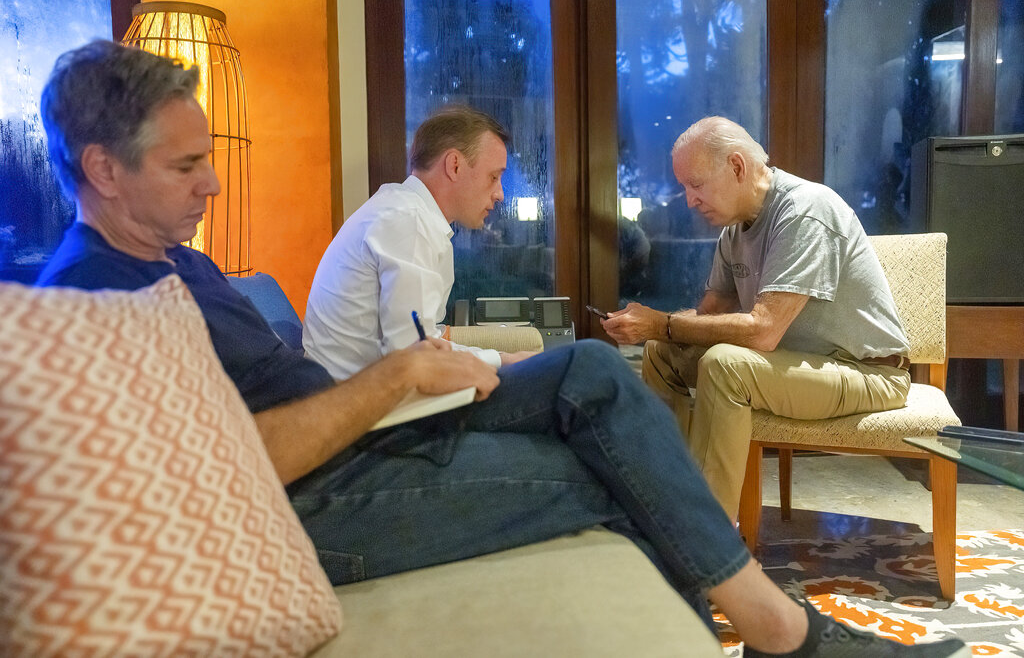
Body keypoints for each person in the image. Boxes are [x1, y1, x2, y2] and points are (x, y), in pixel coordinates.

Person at [35, 41, 967, 658]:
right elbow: (230, 464)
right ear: (103, 169)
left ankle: (760, 617)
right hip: (316, 504)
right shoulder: (94, 300)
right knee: (615, 467)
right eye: (186, 165)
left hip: (354, 445)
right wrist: (403, 374)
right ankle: (781, 629)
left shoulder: (173, 263)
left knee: (596, 373)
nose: (212, 181)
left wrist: (422, 376)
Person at [602, 116, 913, 522]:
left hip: (867, 373)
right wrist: (653, 326)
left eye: (695, 184)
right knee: (663, 353)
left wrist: (662, 321)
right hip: (793, 365)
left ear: (736, 166)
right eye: (684, 187)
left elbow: (764, 331)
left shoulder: (804, 210)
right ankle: (665, 500)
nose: (688, 199)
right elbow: (707, 317)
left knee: (726, 366)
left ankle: (707, 541)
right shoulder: (733, 232)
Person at [302, 106, 534, 381]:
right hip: (368, 409)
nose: (500, 194)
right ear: (455, 165)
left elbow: (423, 342)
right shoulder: (408, 221)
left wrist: (502, 359)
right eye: (493, 177)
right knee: (581, 361)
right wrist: (501, 361)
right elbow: (414, 360)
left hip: (371, 392)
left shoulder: (406, 212)